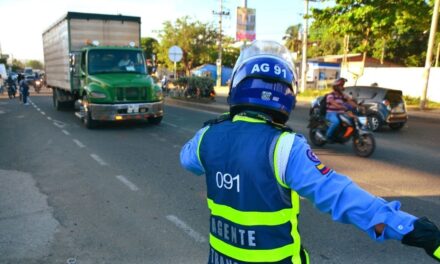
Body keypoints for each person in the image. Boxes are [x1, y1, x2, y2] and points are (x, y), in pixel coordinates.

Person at [180, 40, 440, 264]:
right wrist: (411, 229)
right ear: (287, 94)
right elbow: (339, 195)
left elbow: (187, 160)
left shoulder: (208, 137)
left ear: (238, 84)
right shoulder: (284, 147)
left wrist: (226, 124)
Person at [323, 78, 357, 142]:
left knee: (351, 120)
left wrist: (358, 106)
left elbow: (350, 101)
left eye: (342, 85)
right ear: (336, 87)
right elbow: (333, 103)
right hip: (331, 113)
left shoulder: (342, 95)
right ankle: (327, 136)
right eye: (340, 85)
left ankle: (342, 134)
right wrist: (341, 107)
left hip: (341, 113)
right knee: (336, 122)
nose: (342, 87)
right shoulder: (330, 95)